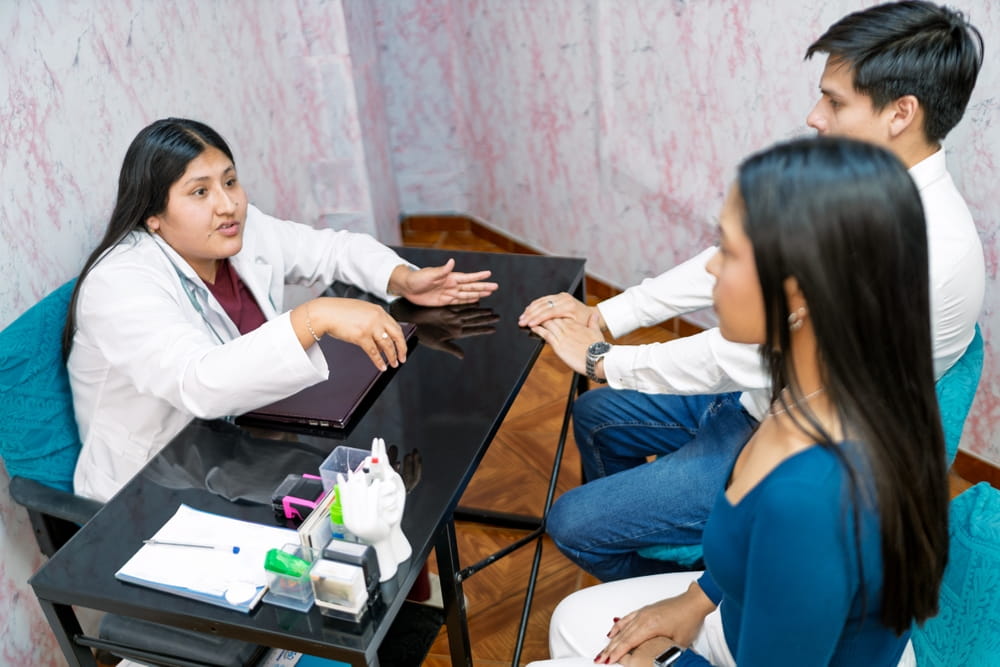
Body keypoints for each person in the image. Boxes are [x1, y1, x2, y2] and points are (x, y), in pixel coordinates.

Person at [521, 0, 984, 582]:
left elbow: (756, 356)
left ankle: (693, 591)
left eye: (835, 101)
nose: (815, 116)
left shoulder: (919, 252)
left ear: (901, 113)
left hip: (803, 445)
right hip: (759, 398)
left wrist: (604, 359)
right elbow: (734, 257)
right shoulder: (855, 179)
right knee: (598, 416)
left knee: (573, 523)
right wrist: (609, 317)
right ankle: (675, 550)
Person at [529, 136, 947, 667]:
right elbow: (754, 549)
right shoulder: (816, 390)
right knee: (571, 621)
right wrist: (692, 600)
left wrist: (663, 661)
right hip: (742, 619)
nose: (710, 270)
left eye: (726, 251)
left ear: (798, 292)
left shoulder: (809, 497)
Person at [64, 117, 498, 502]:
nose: (227, 203)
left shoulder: (236, 231)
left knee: (381, 474)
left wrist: (401, 278)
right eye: (200, 191)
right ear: (152, 215)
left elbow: (331, 249)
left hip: (243, 429)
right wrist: (315, 316)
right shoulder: (120, 283)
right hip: (153, 469)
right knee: (360, 494)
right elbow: (197, 383)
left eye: (230, 182)